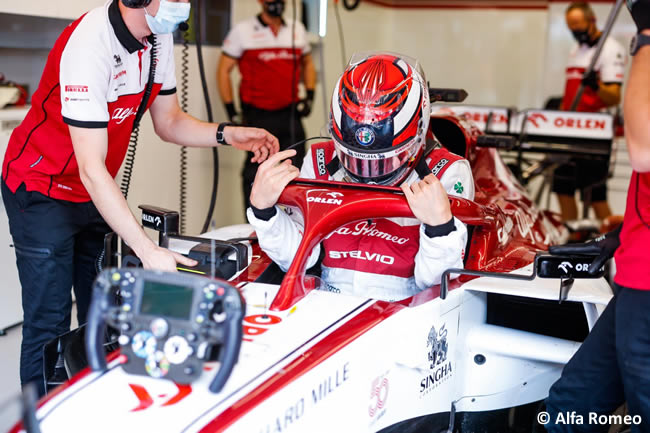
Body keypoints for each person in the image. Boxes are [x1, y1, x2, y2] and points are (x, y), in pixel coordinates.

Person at [1, 0, 278, 397]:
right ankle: (41, 417)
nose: (184, 5)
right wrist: (146, 250)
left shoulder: (157, 38)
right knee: (50, 320)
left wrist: (228, 134)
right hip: (41, 185)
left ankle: (91, 407)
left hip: (92, 190)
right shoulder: (88, 44)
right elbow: (92, 169)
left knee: (103, 310)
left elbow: (169, 122)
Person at [246, 53, 474, 301]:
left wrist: (440, 227)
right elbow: (301, 258)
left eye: (383, 160)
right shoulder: (319, 161)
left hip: (405, 309)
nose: (370, 176)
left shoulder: (448, 172)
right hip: (323, 302)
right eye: (355, 159)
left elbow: (435, 284)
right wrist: (264, 212)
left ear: (417, 133)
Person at [545, 1, 650, 431]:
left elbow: (642, 151)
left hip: (646, 283)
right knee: (571, 405)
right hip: (635, 266)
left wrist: (646, 40)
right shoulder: (578, 53)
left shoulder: (628, 53)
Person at [217, 0, 317, 210]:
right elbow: (223, 70)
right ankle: (254, 222)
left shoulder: (296, 29)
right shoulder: (242, 31)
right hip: (257, 116)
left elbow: (308, 62)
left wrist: (309, 93)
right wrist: (231, 110)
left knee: (299, 168)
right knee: (257, 170)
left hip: (290, 114)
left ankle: (297, 220)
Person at [552, 1, 627, 222]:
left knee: (595, 195)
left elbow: (614, 96)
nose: (574, 30)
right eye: (570, 26)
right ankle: (573, 239)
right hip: (569, 130)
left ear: (592, 20)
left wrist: (596, 85)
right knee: (562, 186)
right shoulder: (576, 50)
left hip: (594, 135)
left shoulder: (610, 49)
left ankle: (611, 246)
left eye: (577, 24)